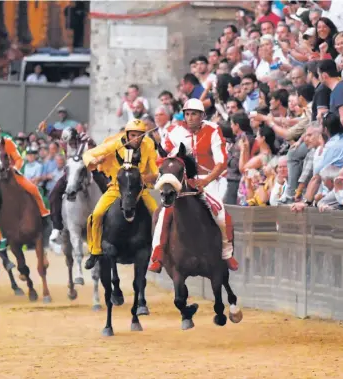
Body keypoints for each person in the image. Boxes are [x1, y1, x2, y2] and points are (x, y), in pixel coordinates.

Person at [149, 99, 238, 273]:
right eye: (187, 114)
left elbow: (221, 162)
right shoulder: (174, 131)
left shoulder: (213, 130)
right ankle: (157, 255)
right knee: (164, 212)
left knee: (220, 212)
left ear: (202, 115)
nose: (190, 118)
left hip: (209, 179)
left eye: (194, 114)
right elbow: (164, 157)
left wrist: (206, 181)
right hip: (181, 180)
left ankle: (227, 254)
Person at [82, 119, 159, 270]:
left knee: (158, 213)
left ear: (144, 136)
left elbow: (155, 170)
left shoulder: (149, 145)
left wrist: (146, 178)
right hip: (116, 188)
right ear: (127, 134)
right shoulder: (115, 144)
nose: (136, 138)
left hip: (140, 189)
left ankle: (158, 253)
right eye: (133, 135)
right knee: (96, 215)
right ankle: (95, 251)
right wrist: (95, 159)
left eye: (139, 135)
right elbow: (88, 154)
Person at [0, 118, 50, 248]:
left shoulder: (8, 142)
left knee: (33, 189)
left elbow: (18, 159)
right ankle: (2, 237)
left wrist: (14, 169)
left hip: (11, 174)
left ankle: (44, 214)